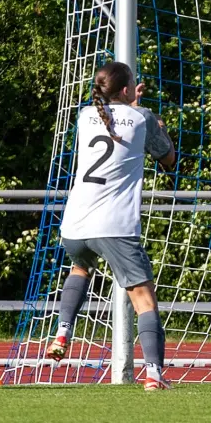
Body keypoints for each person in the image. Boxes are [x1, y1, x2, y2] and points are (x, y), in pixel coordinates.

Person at [48, 62, 179, 390]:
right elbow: (168, 159)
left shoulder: (84, 116)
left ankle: (63, 332)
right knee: (144, 298)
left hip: (76, 222)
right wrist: (157, 124)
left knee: (80, 268)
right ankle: (153, 375)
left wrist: (130, 107)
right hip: (115, 224)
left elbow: (115, 125)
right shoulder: (143, 118)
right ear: (125, 89)